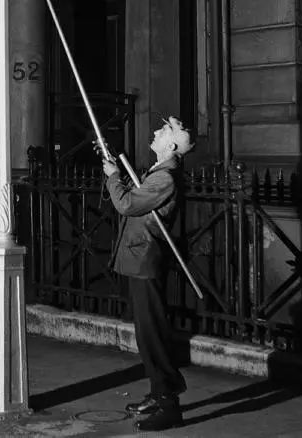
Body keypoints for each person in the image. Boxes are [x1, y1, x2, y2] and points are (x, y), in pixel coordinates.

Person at [100, 116, 193, 432]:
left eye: (163, 130)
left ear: (170, 145)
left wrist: (113, 178)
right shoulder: (157, 173)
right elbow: (134, 201)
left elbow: (127, 205)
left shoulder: (165, 179)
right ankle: (157, 393)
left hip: (146, 261)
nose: (155, 131)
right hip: (138, 259)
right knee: (145, 333)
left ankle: (169, 404)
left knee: (153, 334)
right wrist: (116, 173)